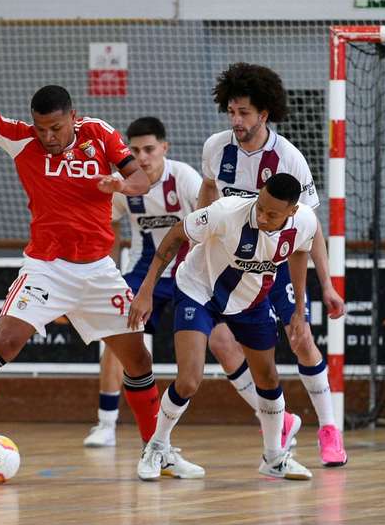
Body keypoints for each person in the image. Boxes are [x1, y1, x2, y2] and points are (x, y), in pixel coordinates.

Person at [0, 24, 200, 479]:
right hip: (47, 268)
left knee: (139, 360)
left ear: (73, 117)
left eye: (56, 127)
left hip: (99, 271)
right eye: (42, 127)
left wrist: (119, 184)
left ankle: (155, 450)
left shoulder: (100, 134)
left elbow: (143, 180)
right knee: (5, 340)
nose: (48, 136)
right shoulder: (21, 138)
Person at [198, 63, 348, 466]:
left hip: (278, 262)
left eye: (244, 113)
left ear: (264, 114)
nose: (236, 120)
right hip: (231, 264)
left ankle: (330, 429)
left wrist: (327, 285)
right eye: (231, 112)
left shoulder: (288, 159)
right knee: (220, 341)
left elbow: (309, 229)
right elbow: (208, 191)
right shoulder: (216, 147)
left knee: (300, 337)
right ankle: (280, 420)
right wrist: (198, 243)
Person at [130, 172, 316, 481]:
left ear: (292, 212)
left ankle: (274, 458)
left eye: (272, 214)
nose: (263, 216)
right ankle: (157, 448)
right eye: (261, 207)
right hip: (198, 290)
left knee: (268, 378)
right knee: (189, 380)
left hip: (251, 299)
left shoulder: (305, 221)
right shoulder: (227, 212)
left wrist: (299, 310)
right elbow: (177, 233)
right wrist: (147, 288)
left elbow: (300, 252)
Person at [84, 117, 201, 448]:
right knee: (118, 339)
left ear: (164, 148)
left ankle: (273, 419)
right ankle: (106, 423)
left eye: (149, 149)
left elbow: (209, 222)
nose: (143, 157)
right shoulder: (124, 186)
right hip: (141, 273)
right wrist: (97, 269)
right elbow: (106, 225)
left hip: (187, 274)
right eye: (134, 150)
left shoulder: (184, 178)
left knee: (220, 343)